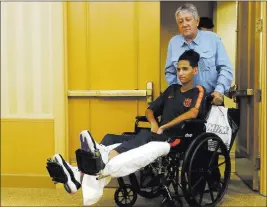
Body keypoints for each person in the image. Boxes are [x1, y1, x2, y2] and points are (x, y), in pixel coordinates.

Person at [47, 50, 206, 194]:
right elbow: (150, 110)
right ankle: (78, 175)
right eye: (178, 69)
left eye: (185, 69)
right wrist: (154, 123)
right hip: (156, 134)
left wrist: (164, 126)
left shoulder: (198, 91)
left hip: (176, 139)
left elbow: (192, 113)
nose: (180, 73)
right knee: (111, 138)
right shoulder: (171, 90)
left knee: (143, 135)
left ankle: (102, 160)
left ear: (195, 70)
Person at [165, 3, 233, 106]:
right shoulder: (173, 43)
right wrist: (177, 92)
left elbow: (225, 68)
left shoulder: (213, 39)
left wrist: (219, 90)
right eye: (180, 21)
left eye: (188, 20)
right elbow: (169, 72)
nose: (184, 24)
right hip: (183, 103)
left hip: (211, 100)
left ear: (197, 21)